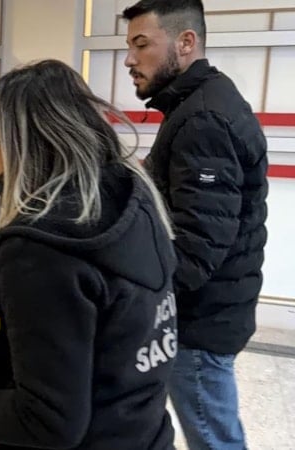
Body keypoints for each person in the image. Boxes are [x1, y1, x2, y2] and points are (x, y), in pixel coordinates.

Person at [0, 59, 179, 449]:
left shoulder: (38, 250)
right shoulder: (129, 199)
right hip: (143, 433)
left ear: (19, 146)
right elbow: (36, 294)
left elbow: (47, 420)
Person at [122, 2, 267, 449]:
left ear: (186, 43)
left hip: (200, 322)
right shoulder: (199, 102)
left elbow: (196, 249)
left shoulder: (202, 118)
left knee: (213, 438)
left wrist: (138, 299)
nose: (129, 60)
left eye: (141, 45)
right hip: (212, 311)